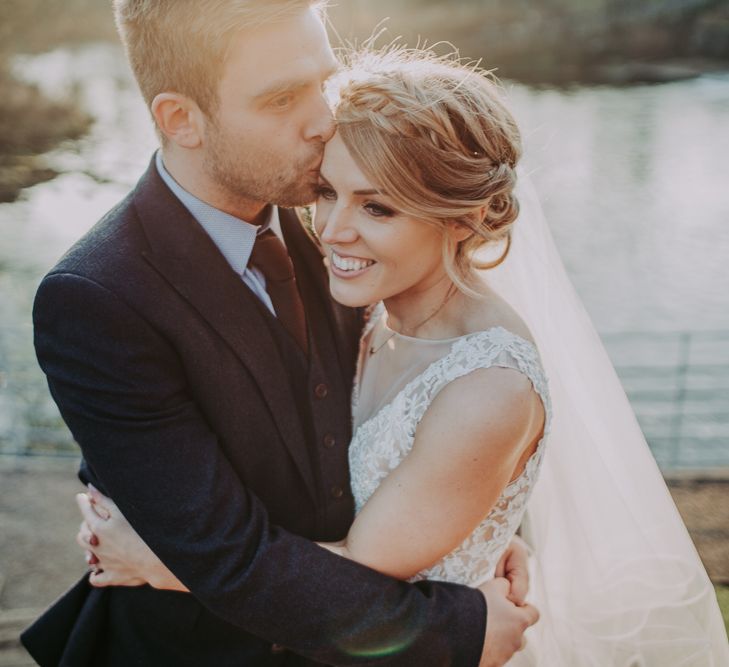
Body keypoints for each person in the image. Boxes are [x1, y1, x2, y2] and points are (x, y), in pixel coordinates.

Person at [77, 46, 729, 665]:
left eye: (378, 206)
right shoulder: (368, 306)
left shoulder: (487, 386)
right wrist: (496, 535)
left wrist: (165, 563)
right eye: (328, 191)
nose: (332, 230)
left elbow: (360, 561)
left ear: (462, 219)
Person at [21, 3, 537, 667]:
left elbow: (432, 407)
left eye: (323, 81)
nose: (324, 118)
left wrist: (471, 525)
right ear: (181, 120)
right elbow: (228, 556)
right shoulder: (99, 300)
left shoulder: (336, 220)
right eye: (283, 98)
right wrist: (458, 630)